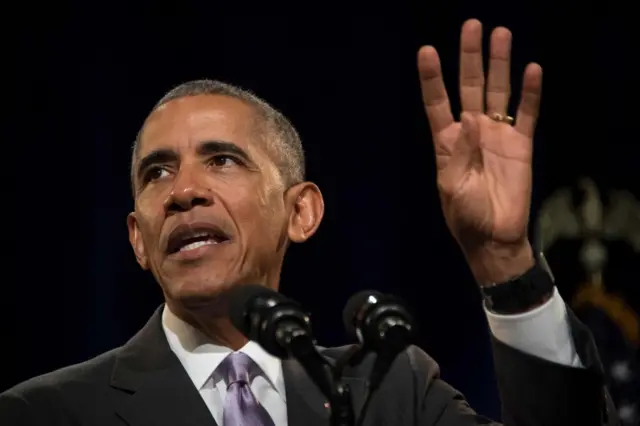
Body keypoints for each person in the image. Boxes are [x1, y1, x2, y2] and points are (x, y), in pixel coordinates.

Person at [0, 19, 618, 426]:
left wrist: (503, 260)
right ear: (137, 238)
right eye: (156, 174)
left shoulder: (390, 393)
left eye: (222, 160)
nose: (183, 191)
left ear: (302, 211)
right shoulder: (44, 414)